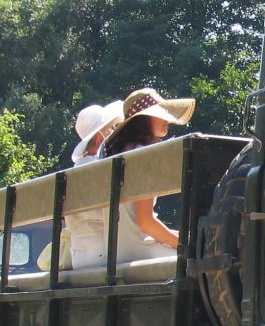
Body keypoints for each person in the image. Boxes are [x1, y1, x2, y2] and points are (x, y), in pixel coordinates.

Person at [100, 86, 195, 263]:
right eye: (159, 113)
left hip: (117, 252)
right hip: (140, 251)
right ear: (143, 120)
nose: (166, 118)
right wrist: (187, 244)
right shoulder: (145, 156)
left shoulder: (118, 155)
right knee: (202, 260)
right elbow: (146, 223)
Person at [55, 100, 125, 270]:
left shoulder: (74, 171)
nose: (119, 133)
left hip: (78, 256)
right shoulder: (101, 169)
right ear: (102, 135)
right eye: (114, 128)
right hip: (106, 255)